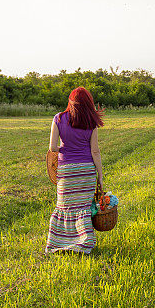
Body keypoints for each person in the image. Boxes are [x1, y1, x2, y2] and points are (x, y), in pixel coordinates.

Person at [44, 86, 104, 254]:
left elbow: (52, 147)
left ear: (71, 102)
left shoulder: (58, 118)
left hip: (67, 172)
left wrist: (66, 148)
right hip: (86, 171)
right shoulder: (91, 122)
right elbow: (95, 151)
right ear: (88, 104)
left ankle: (58, 243)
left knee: (65, 207)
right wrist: (100, 175)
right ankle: (84, 243)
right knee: (83, 208)